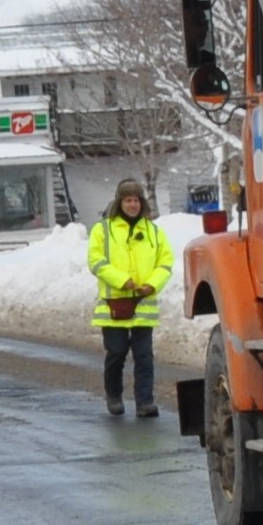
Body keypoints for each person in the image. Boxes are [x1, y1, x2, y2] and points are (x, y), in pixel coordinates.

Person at [88, 178, 172, 418]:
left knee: (144, 356)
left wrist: (152, 284)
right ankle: (114, 395)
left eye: (136, 200)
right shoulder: (102, 230)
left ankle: (145, 402)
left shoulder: (153, 232)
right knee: (117, 352)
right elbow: (96, 261)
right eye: (128, 200)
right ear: (119, 202)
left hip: (143, 306)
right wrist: (121, 280)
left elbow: (165, 263)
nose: (132, 204)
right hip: (114, 306)